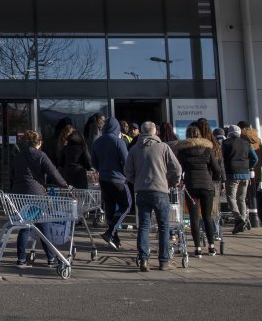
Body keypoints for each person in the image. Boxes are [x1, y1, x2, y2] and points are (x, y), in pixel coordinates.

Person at [124, 121, 182, 272]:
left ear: (141, 132)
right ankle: (163, 261)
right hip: (160, 191)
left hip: (142, 191)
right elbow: (177, 168)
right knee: (163, 226)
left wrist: (136, 181)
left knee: (144, 225)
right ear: (155, 132)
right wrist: (171, 183)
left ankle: (143, 259)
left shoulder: (135, 149)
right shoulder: (163, 147)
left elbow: (128, 171)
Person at [11, 130, 69, 269]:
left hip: (20, 195)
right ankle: (51, 258)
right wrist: (65, 185)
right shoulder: (41, 155)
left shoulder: (18, 156)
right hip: (37, 194)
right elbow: (53, 172)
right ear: (40, 143)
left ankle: (21, 259)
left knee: (25, 225)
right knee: (44, 226)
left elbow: (12, 174)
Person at [172, 125, 223, 257]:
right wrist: (214, 179)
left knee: (194, 218)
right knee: (207, 216)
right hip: (207, 185)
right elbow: (217, 169)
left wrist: (178, 181)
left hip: (191, 186)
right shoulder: (207, 149)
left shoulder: (183, 150)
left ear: (187, 136)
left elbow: (178, 169)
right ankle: (211, 247)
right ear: (200, 135)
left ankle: (197, 248)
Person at [91, 117, 130, 251]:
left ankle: (114, 237)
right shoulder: (119, 142)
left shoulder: (97, 142)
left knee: (110, 208)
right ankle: (111, 232)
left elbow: (94, 163)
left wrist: (102, 169)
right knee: (126, 205)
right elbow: (126, 162)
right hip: (118, 180)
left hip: (104, 180)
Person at [222, 124, 258, 234]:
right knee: (241, 198)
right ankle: (243, 220)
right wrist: (248, 166)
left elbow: (222, 158)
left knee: (231, 198)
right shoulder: (247, 143)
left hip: (232, 173)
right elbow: (255, 158)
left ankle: (239, 219)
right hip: (245, 174)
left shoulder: (225, 143)